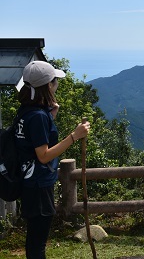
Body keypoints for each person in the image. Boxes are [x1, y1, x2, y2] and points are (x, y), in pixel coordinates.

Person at [15, 60, 90, 259]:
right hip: (39, 184)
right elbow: (43, 155)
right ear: (48, 86)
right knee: (38, 242)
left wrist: (51, 117)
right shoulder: (38, 116)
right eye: (55, 81)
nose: (57, 84)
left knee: (34, 238)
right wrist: (75, 136)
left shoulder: (25, 111)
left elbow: (31, 142)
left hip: (29, 182)